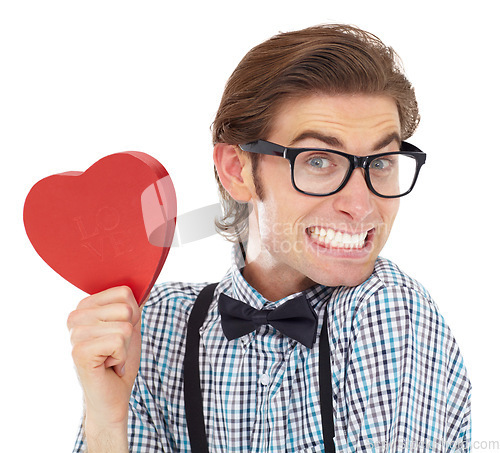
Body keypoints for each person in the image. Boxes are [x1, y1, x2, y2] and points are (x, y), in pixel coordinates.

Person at [68, 24, 471, 452]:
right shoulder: (159, 324)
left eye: (382, 161)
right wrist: (107, 420)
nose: (362, 204)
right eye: (319, 160)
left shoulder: (388, 308)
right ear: (237, 170)